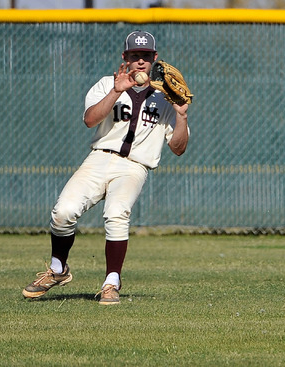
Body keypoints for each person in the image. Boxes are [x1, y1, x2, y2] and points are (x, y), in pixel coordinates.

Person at [22, 30, 190, 305]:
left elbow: (179, 148)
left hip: (134, 167)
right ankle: (57, 269)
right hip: (99, 158)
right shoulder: (106, 84)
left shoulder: (166, 98)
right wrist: (116, 91)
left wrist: (181, 116)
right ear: (125, 57)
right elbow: (90, 119)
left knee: (116, 213)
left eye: (145, 56)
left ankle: (112, 282)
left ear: (154, 59)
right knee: (63, 213)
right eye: (135, 56)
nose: (140, 62)